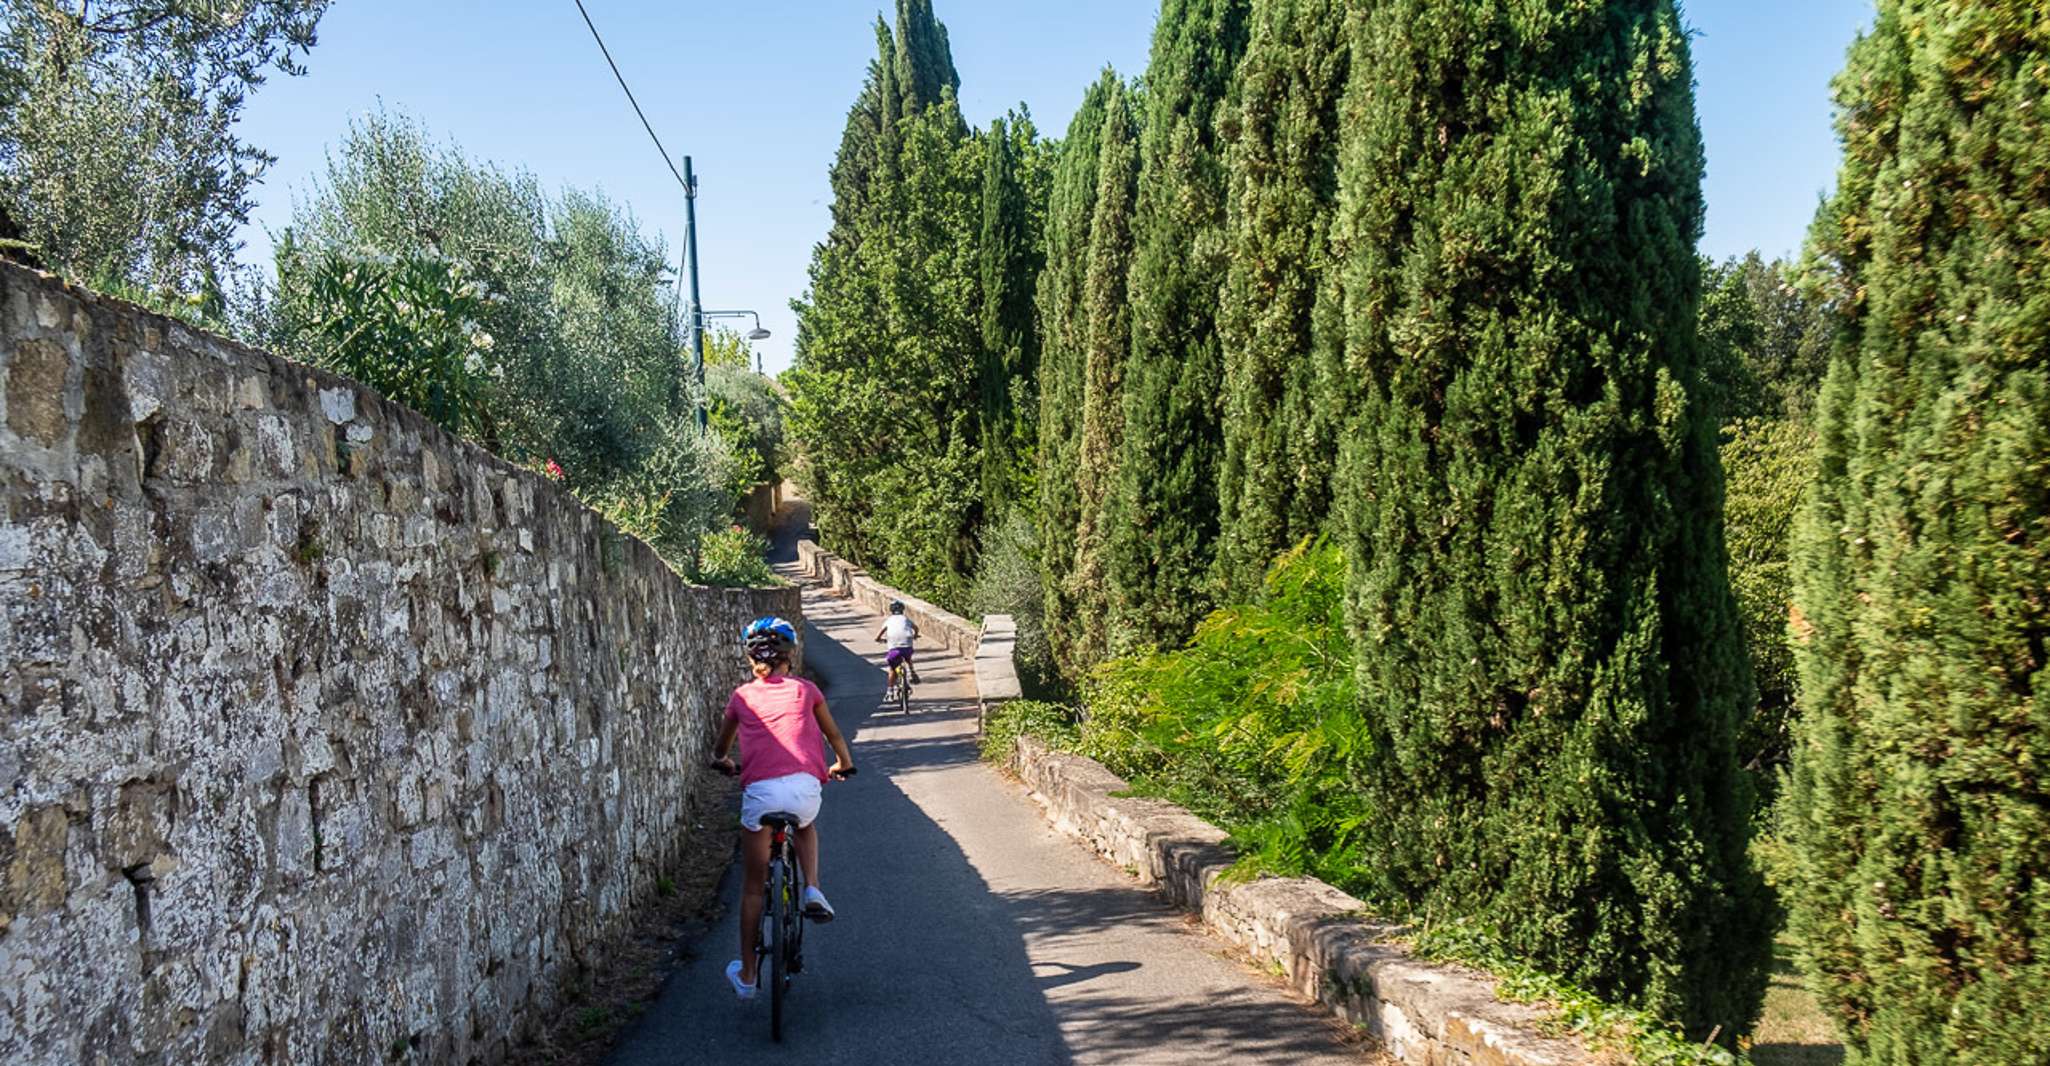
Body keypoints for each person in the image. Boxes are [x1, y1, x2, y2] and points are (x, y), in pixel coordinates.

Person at [709, 616, 855, 1001]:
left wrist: (722, 759)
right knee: (805, 826)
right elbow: (833, 733)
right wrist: (842, 762)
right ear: (789, 656)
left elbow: (722, 745)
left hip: (761, 795)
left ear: (751, 657)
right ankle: (812, 888)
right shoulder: (806, 691)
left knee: (753, 889)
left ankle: (748, 973)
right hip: (805, 789)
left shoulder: (742, 697)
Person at [875, 600, 920, 688]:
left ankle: (890, 691)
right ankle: (912, 671)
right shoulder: (905, 619)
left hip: (894, 648)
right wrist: (915, 635)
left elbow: (880, 633)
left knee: (892, 669)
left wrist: (878, 639)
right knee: (908, 657)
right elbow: (916, 628)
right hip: (907, 646)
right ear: (902, 610)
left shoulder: (889, 620)